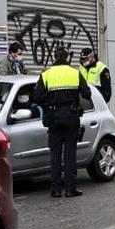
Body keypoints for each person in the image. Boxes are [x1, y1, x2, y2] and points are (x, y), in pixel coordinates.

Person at [34, 48, 91, 198]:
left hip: (53, 117)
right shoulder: (75, 73)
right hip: (71, 116)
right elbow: (87, 94)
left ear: (54, 57)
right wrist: (77, 102)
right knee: (70, 153)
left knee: (55, 153)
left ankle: (55, 189)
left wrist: (49, 105)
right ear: (67, 58)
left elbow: (38, 97)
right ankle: (70, 189)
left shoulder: (46, 74)